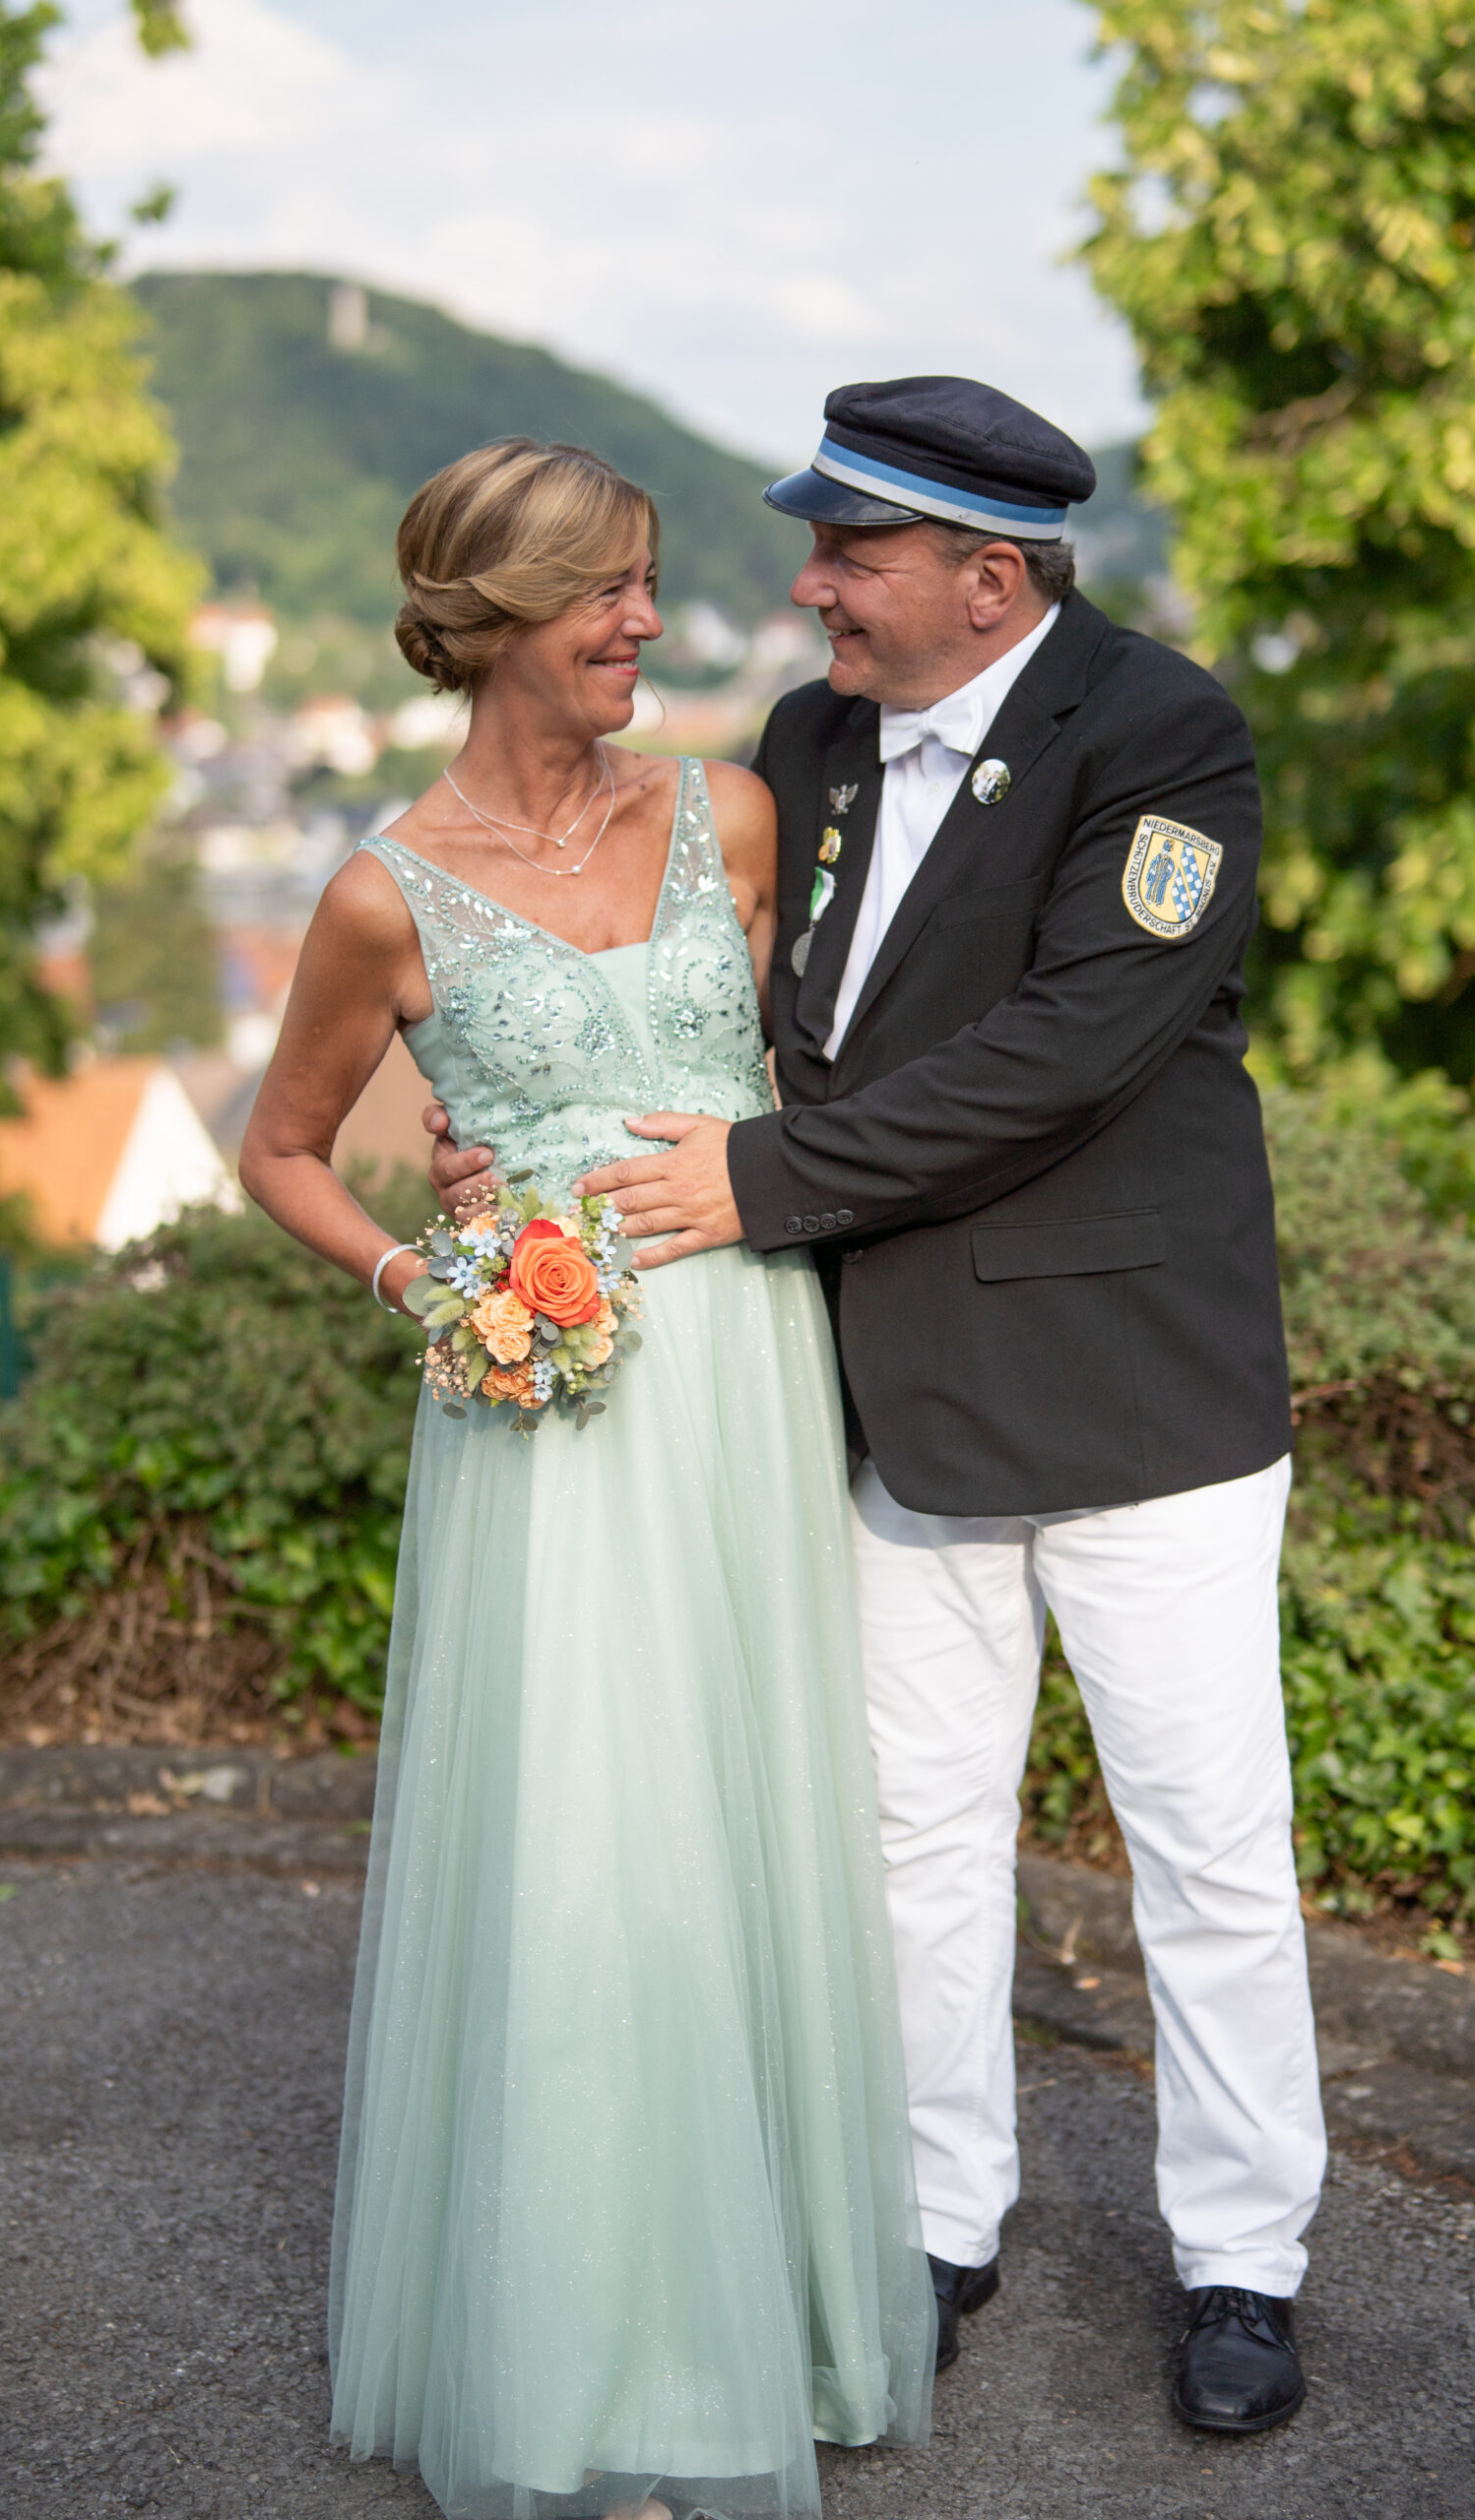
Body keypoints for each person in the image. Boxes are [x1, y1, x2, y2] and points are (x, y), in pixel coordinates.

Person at [430, 380, 1325, 2437]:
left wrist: (755, 1184)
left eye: (850, 552)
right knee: (912, 1839)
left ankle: (1242, 2261)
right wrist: (518, 1139)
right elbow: (720, 1009)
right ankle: (932, 2224)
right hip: (894, 1387)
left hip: (1139, 1401)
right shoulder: (810, 742)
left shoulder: (1160, 732)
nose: (811, 587)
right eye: (816, 546)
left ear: (986, 579)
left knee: (1202, 1850)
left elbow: (1071, 1048)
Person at [239, 436, 934, 2520]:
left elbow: (809, 1077)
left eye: (644, 583)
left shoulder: (732, 812)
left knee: (746, 1824)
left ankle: (770, 2319)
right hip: (543, 1409)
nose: (646, 620)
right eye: (608, 591)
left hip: (747, 1377)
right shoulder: (383, 892)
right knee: (586, 1855)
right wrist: (426, 1273)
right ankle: (585, 2373)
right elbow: (281, 1148)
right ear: (497, 621)